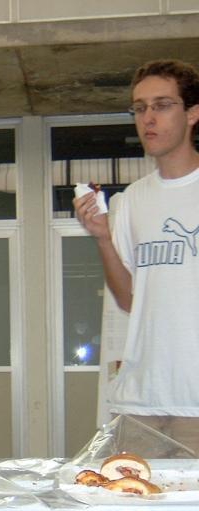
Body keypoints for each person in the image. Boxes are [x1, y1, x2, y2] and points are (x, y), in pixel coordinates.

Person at [73, 59, 199, 451]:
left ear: (193, 113)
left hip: (196, 402)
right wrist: (103, 238)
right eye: (140, 108)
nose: (149, 118)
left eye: (162, 105)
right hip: (139, 399)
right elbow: (128, 299)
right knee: (128, 504)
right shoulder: (130, 201)